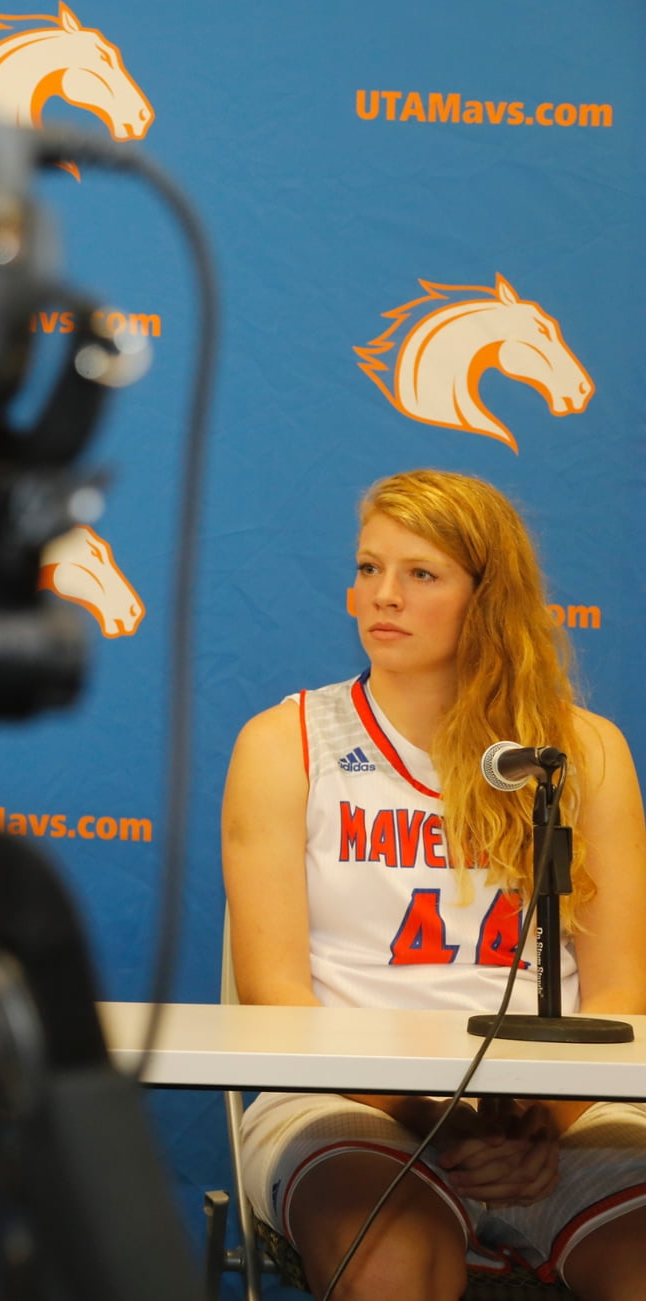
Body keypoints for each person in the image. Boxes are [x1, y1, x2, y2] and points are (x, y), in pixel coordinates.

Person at [222, 470, 646, 1300]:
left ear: (490, 598)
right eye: (368, 567)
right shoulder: (285, 742)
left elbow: (621, 989)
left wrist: (540, 1124)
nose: (383, 595)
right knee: (391, 1258)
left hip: (558, 1110)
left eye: (421, 573)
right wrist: (435, 1118)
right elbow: (276, 995)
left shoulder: (582, 752)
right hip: (345, 1094)